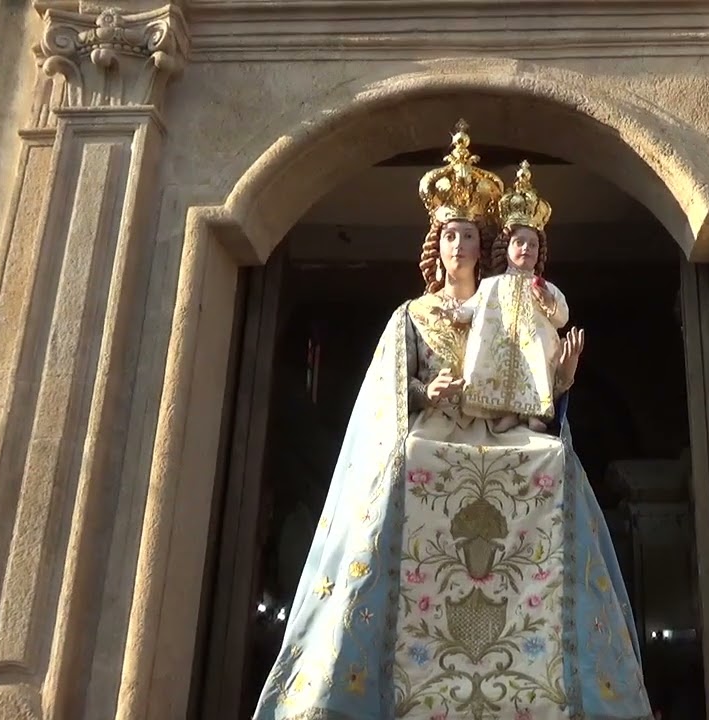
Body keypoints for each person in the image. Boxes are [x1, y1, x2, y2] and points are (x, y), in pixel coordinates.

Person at [251, 120, 651, 720]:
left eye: (468, 237)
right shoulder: (410, 316)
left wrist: (560, 386)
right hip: (433, 440)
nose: (459, 247)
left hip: (499, 437)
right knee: (403, 471)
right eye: (450, 237)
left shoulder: (505, 306)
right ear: (434, 246)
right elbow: (383, 399)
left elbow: (528, 384)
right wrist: (422, 389)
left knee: (553, 461)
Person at [451, 160, 569, 433]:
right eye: (520, 242)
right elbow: (473, 306)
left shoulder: (546, 287)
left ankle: (532, 414)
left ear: (541, 250)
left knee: (533, 372)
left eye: (533, 244)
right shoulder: (491, 285)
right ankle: (504, 413)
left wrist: (549, 304)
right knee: (499, 373)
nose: (526, 248)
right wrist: (456, 313)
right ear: (506, 248)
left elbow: (561, 318)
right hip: (500, 342)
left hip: (533, 345)